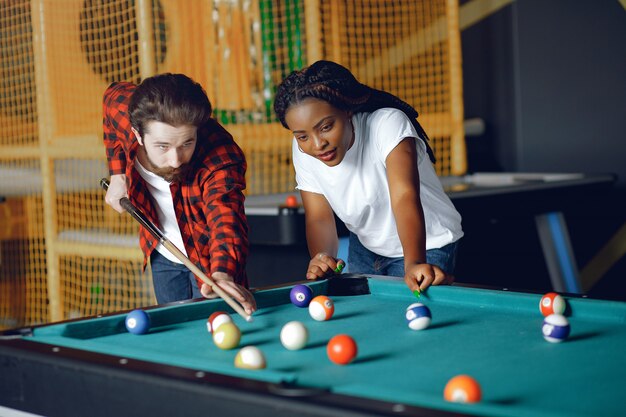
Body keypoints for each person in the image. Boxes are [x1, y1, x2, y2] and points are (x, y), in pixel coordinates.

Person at [273, 60, 463, 293]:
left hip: (427, 243)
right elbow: (319, 217)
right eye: (302, 136)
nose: (317, 144)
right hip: (366, 246)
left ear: (346, 109)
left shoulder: (388, 124)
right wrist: (322, 258)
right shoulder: (303, 149)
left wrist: (413, 262)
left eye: (326, 127)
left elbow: (404, 195)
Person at [102, 73, 255, 313]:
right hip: (162, 251)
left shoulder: (220, 155)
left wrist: (223, 274)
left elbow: (226, 217)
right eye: (163, 146)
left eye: (186, 144)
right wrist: (118, 174)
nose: (175, 160)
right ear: (137, 134)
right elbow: (110, 98)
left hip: (209, 262)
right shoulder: (126, 112)